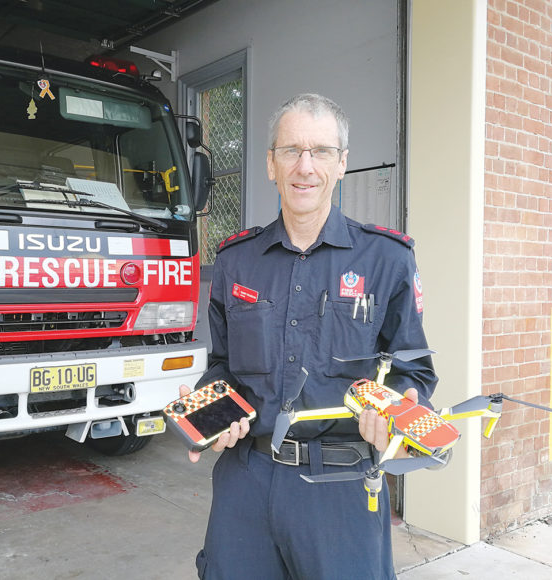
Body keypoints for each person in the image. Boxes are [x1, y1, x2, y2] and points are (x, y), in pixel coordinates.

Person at [180, 93, 437, 579]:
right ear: (271, 165)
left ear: (341, 164)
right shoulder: (237, 260)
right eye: (291, 150)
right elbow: (222, 365)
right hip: (246, 478)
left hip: (340, 483)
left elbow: (413, 368)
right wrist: (210, 409)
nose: (305, 166)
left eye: (320, 151)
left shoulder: (387, 260)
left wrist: (402, 407)